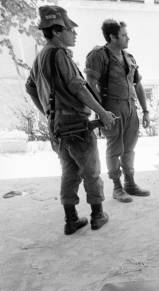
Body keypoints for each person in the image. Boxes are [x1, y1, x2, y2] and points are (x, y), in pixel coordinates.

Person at [25, 6, 115, 235]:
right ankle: (97, 215)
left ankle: (71, 220)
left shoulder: (40, 57)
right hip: (76, 124)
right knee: (91, 171)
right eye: (70, 28)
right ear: (56, 31)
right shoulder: (59, 54)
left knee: (69, 172)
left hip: (57, 128)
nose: (74, 32)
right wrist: (102, 112)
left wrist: (48, 111)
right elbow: (78, 88)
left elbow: (30, 87)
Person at [85, 19, 150, 203]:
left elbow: (138, 85)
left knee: (129, 148)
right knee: (115, 148)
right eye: (123, 35)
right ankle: (117, 187)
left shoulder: (129, 57)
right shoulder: (99, 55)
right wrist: (101, 110)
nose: (128, 37)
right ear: (112, 37)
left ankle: (130, 183)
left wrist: (145, 111)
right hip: (111, 107)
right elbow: (89, 84)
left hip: (130, 107)